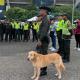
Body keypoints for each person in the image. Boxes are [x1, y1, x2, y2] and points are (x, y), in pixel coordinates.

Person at [36, 6, 50, 76]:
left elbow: (44, 32)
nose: (39, 12)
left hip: (43, 40)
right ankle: (42, 68)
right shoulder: (43, 19)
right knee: (41, 54)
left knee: (44, 55)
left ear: (44, 11)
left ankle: (44, 70)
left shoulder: (46, 20)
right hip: (42, 39)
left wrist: (40, 40)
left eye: (41, 10)